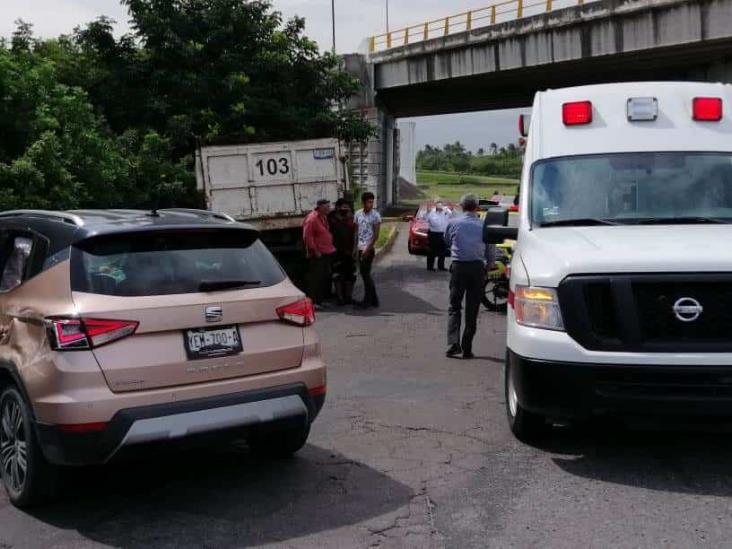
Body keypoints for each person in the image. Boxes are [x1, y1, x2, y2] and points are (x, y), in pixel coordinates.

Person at [444, 194, 491, 359]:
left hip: (459, 267)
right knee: (472, 309)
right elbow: (490, 249)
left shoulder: (454, 222)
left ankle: (453, 345)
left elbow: (448, 241)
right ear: (477, 208)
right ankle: (467, 347)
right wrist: (488, 267)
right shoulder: (484, 225)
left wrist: (459, 248)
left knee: (454, 306)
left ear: (461, 206)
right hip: (477, 268)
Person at [302, 199, 336, 311]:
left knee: (324, 278)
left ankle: (320, 301)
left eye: (329, 206)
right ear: (320, 207)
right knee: (315, 279)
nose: (328, 209)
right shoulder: (312, 218)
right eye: (326, 207)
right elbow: (307, 237)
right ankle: (312, 302)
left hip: (326, 252)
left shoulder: (323, 217)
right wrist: (316, 251)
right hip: (318, 254)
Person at [353, 191, 382, 309]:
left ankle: (367, 301)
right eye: (369, 202)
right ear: (363, 202)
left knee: (365, 274)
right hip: (359, 247)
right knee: (365, 274)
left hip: (368, 249)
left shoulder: (375, 215)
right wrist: (354, 247)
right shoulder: (358, 214)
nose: (371, 204)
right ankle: (374, 300)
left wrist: (367, 249)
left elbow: (376, 235)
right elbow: (356, 231)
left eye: (372, 202)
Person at [328, 198, 356, 305]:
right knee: (337, 275)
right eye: (344, 207)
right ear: (338, 207)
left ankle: (348, 297)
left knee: (350, 275)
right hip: (335, 251)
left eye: (347, 207)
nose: (346, 209)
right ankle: (340, 298)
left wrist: (354, 249)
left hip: (349, 251)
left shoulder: (351, 217)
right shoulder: (330, 218)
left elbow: (355, 233)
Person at [426, 201, 451, 271]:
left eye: (441, 207)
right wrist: (427, 212)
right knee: (432, 251)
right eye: (438, 208)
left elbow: (452, 215)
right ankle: (430, 267)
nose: (440, 209)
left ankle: (441, 266)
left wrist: (448, 210)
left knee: (443, 251)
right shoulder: (431, 212)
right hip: (434, 233)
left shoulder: (446, 211)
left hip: (443, 233)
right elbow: (426, 219)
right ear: (436, 207)